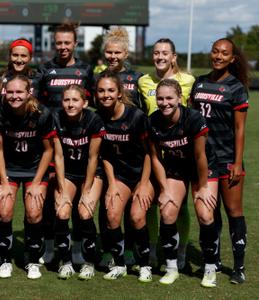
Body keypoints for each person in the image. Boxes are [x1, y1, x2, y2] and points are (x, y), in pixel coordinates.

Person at [190, 38, 250, 284]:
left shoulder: (236, 88)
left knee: (233, 212)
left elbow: (240, 130)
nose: (218, 56)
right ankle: (211, 261)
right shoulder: (199, 82)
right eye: (215, 51)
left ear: (232, 59)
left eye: (224, 53)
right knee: (208, 214)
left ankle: (238, 267)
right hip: (203, 160)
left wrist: (237, 163)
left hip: (227, 160)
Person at [149, 79, 219, 287]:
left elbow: (200, 157)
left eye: (169, 98)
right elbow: (155, 158)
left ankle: (209, 268)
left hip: (202, 169)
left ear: (179, 98)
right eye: (160, 98)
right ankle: (171, 267)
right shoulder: (152, 121)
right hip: (175, 167)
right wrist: (163, 189)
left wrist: (204, 187)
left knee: (205, 214)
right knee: (167, 211)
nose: (164, 103)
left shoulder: (194, 119)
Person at [35, 22, 95, 264]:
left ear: (75, 44)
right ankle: (49, 247)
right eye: (58, 43)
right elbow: (35, 104)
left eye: (66, 43)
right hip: (52, 143)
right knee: (52, 198)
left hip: (79, 143)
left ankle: (78, 248)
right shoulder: (44, 70)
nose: (62, 47)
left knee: (81, 197)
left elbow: (94, 105)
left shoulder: (86, 71)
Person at [0, 75, 57, 279]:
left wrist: (36, 182)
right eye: (10, 92)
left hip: (35, 169)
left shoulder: (42, 114)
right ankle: (5, 259)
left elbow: (48, 151)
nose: (14, 96)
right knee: (4, 211)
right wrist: (4, 181)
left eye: (19, 92)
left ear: (29, 93)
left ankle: (32, 260)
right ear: (4, 92)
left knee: (34, 212)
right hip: (8, 169)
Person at [138, 38, 196, 269]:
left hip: (180, 151)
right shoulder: (143, 81)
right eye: (156, 53)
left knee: (179, 205)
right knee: (151, 202)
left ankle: (180, 249)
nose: (160, 57)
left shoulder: (189, 80)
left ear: (174, 57)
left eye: (165, 53)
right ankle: (152, 248)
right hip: (153, 150)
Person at [96, 71, 154, 282]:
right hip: (119, 175)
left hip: (142, 174)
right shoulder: (98, 116)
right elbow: (106, 155)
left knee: (137, 216)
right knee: (111, 215)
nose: (106, 95)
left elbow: (150, 153)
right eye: (101, 90)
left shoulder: (136, 116)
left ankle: (144, 264)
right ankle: (119, 264)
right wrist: (111, 184)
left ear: (120, 93)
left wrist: (144, 184)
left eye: (111, 90)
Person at [98, 26, 145, 268]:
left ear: (126, 54)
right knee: (107, 202)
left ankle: (130, 250)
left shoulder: (137, 79)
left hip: (131, 152)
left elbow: (143, 115)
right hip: (105, 148)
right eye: (109, 53)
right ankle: (108, 250)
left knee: (131, 208)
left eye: (117, 53)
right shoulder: (97, 76)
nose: (113, 57)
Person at [52, 84, 106, 280]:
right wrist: (62, 189)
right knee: (62, 210)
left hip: (90, 173)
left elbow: (93, 158)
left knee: (84, 212)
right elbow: (58, 157)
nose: (70, 104)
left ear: (84, 103)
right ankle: (65, 262)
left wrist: (87, 190)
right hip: (68, 173)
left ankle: (89, 262)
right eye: (66, 100)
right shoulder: (56, 118)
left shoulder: (93, 119)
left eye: (75, 100)